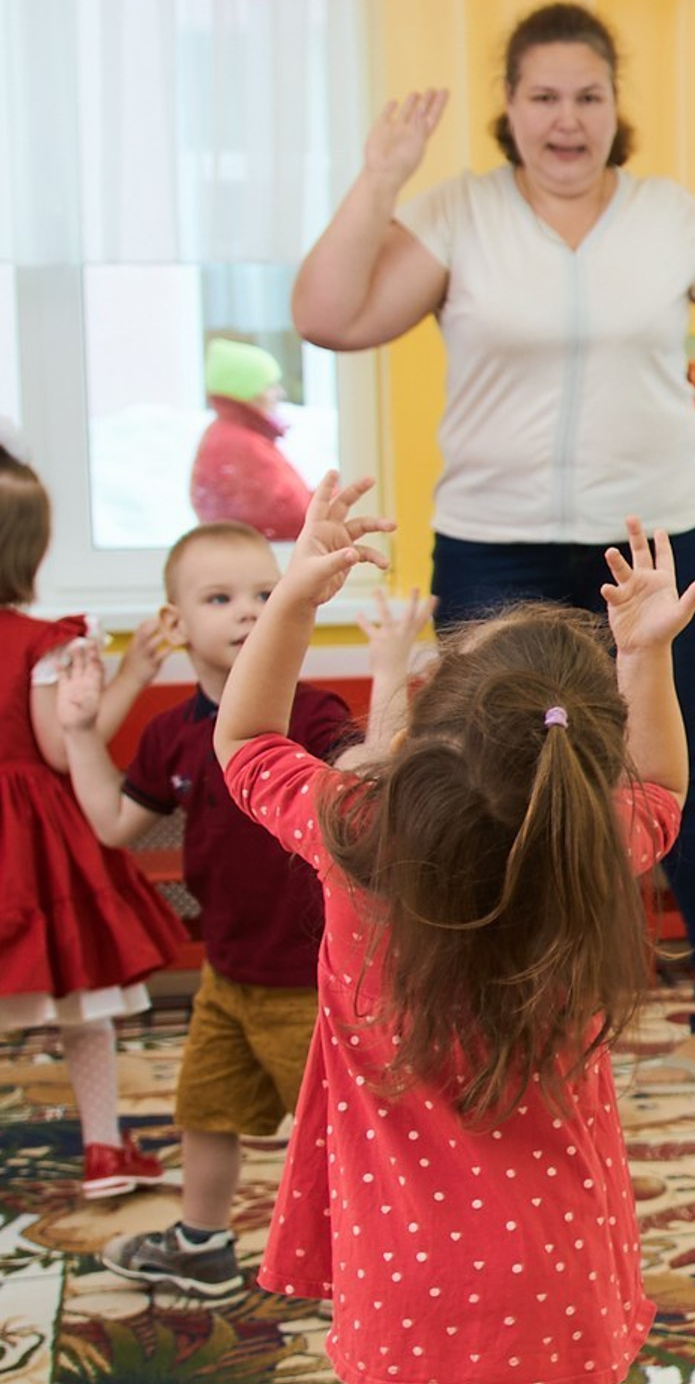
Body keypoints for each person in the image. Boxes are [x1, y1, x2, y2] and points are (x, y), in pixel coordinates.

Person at [220, 473, 695, 1384]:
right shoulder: (601, 848)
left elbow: (247, 734)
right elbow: (662, 782)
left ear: (424, 731)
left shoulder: (356, 836)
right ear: (586, 763)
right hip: (551, 1285)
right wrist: (648, 654)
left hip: (402, 1280)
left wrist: (302, 588)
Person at [289, 1, 695, 1093]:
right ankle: (509, 1010)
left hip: (651, 541)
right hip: (494, 546)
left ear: (615, 107)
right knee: (495, 776)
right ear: (509, 107)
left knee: (668, 776)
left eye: (589, 95)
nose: (567, 119)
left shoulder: (667, 217)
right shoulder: (459, 215)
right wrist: (381, 179)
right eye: (544, 95)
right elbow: (330, 315)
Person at [52, 521, 429, 1301]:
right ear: (173, 622)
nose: (249, 611)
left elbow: (379, 781)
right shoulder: (171, 733)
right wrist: (83, 732)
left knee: (361, 1131)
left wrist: (389, 668)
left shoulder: (314, 712)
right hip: (227, 975)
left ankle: (390, 1260)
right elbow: (114, 825)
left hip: (319, 979)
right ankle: (202, 1243)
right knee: (206, 1111)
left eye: (265, 591)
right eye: (220, 598)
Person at [0, 430, 187, 1200]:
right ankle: (105, 1148)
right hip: (35, 837)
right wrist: (137, 672)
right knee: (82, 1004)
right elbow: (58, 746)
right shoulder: (45, 642)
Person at [189, 338, 314, 540]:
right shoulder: (241, 446)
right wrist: (332, 503)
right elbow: (286, 515)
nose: (279, 393)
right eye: (270, 386)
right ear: (247, 391)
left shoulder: (232, 436)